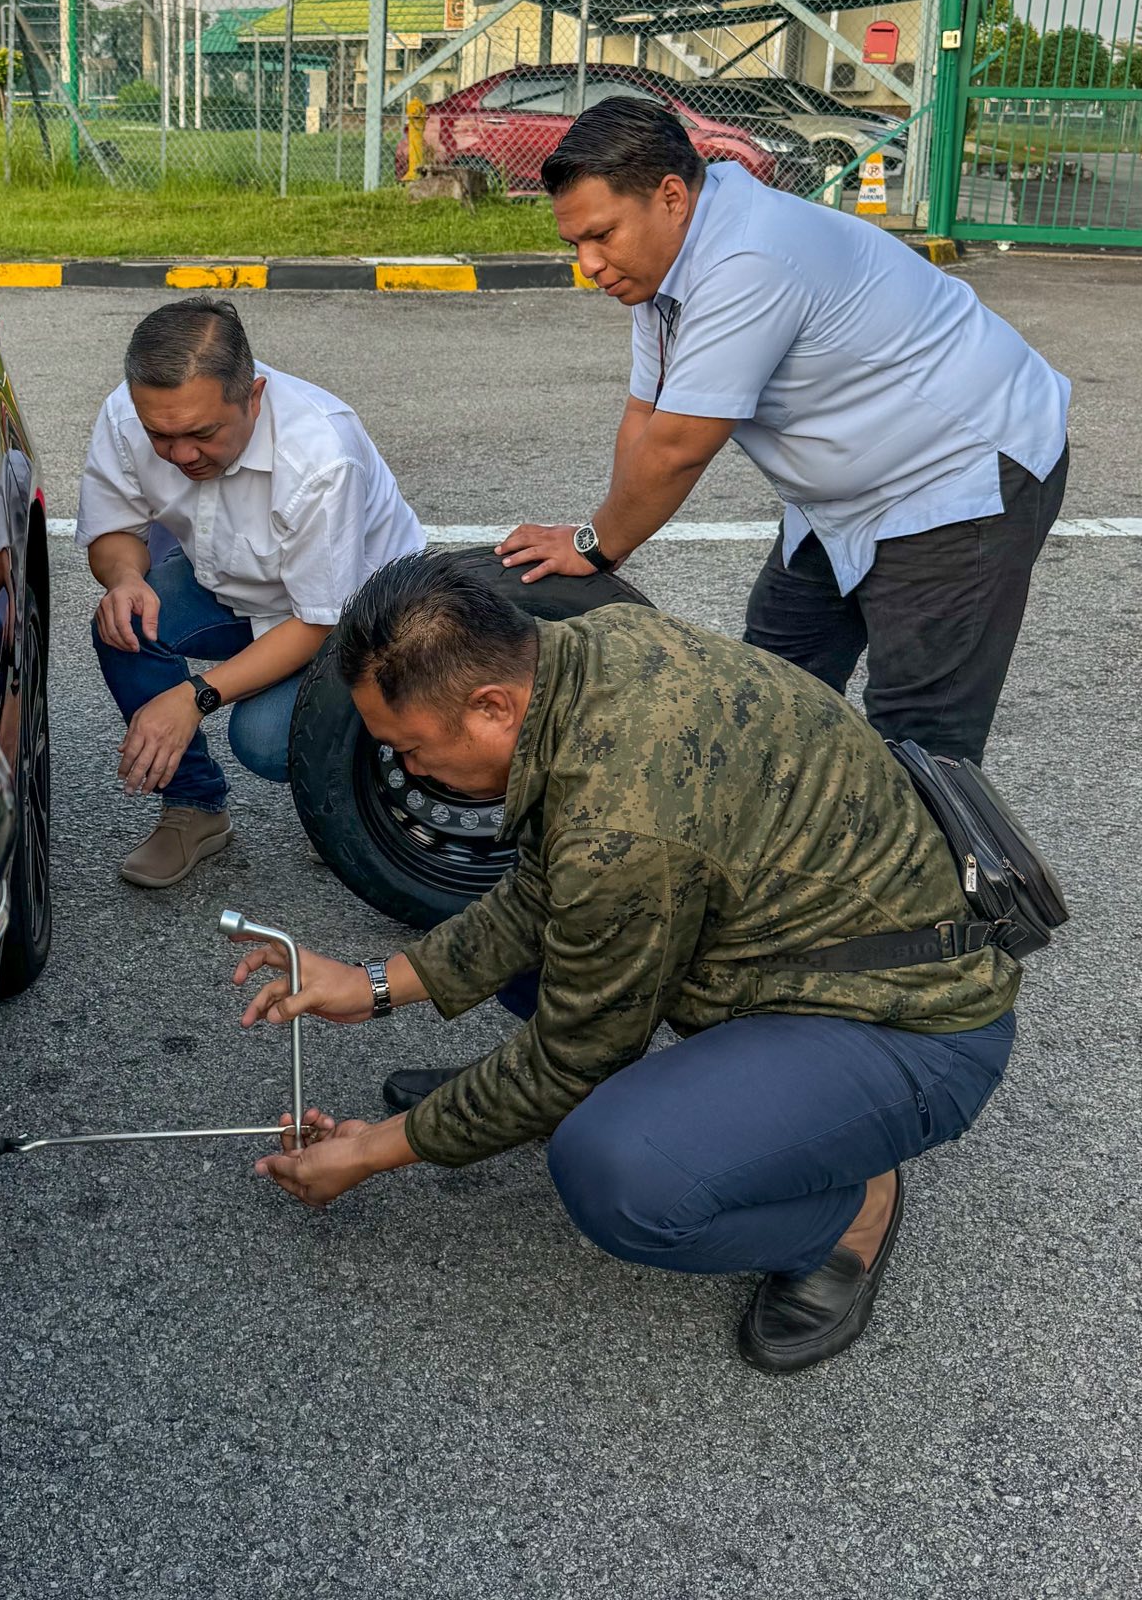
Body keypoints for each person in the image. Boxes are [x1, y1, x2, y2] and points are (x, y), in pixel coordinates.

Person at [234, 554, 1019, 1374]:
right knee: (563, 948)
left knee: (617, 1173)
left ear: (492, 705)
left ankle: (849, 1216)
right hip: (797, 943)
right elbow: (545, 887)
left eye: (413, 748)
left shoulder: (621, 823)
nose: (411, 770)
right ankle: (698, 1111)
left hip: (909, 1023)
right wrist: (374, 985)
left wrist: (371, 1151)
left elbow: (570, 1056)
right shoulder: (586, 647)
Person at [497, 100, 1070, 762]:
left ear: (672, 197)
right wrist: (606, 542)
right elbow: (645, 418)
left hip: (958, 474)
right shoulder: (662, 269)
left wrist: (596, 545)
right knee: (768, 697)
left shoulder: (750, 257)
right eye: (575, 244)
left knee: (918, 741)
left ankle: (934, 832)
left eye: (602, 235)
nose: (588, 264)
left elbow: (680, 448)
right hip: (841, 498)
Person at [78, 297, 423, 889]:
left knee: (262, 739)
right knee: (124, 624)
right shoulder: (128, 412)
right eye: (161, 436)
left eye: (202, 434)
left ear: (254, 397)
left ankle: (368, 796)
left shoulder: (320, 454)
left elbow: (320, 621)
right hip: (236, 584)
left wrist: (193, 698)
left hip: (363, 618)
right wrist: (126, 579)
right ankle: (194, 809)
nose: (181, 455)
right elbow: (113, 530)